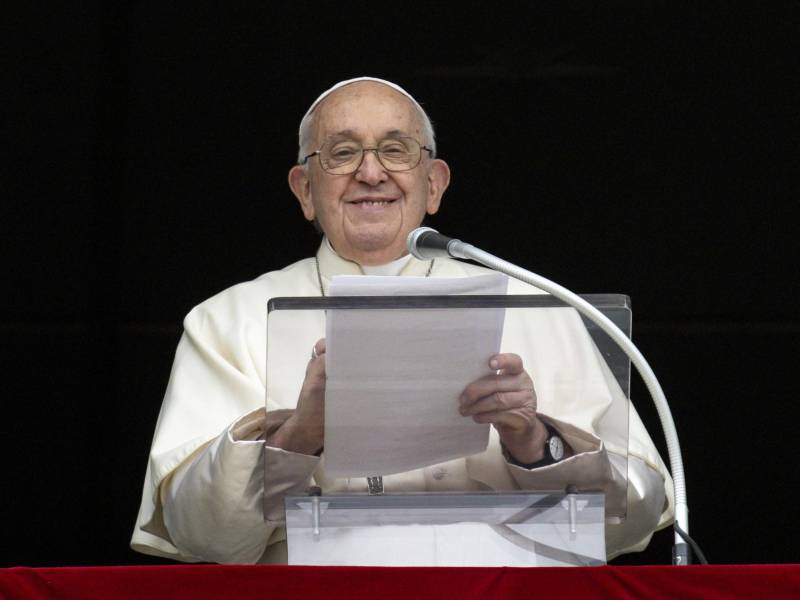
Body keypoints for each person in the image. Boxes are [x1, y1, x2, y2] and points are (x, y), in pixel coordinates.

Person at [131, 77, 674, 564]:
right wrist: (300, 434)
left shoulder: (538, 303)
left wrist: (534, 442)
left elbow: (635, 519)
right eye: (342, 153)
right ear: (304, 190)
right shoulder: (229, 319)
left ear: (434, 183)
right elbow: (201, 535)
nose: (371, 172)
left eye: (396, 150)